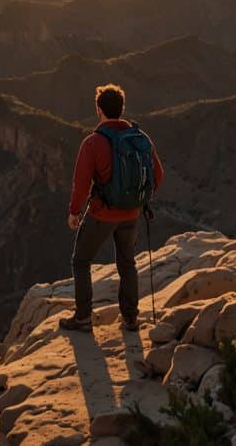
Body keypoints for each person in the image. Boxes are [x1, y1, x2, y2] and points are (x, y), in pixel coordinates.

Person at [60, 84, 164, 333]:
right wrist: (137, 200)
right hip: (131, 214)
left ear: (99, 109)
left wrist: (74, 212)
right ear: (122, 109)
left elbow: (81, 183)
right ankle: (130, 319)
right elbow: (158, 175)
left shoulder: (93, 142)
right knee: (127, 263)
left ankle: (83, 318)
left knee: (81, 260)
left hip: (102, 214)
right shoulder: (141, 139)